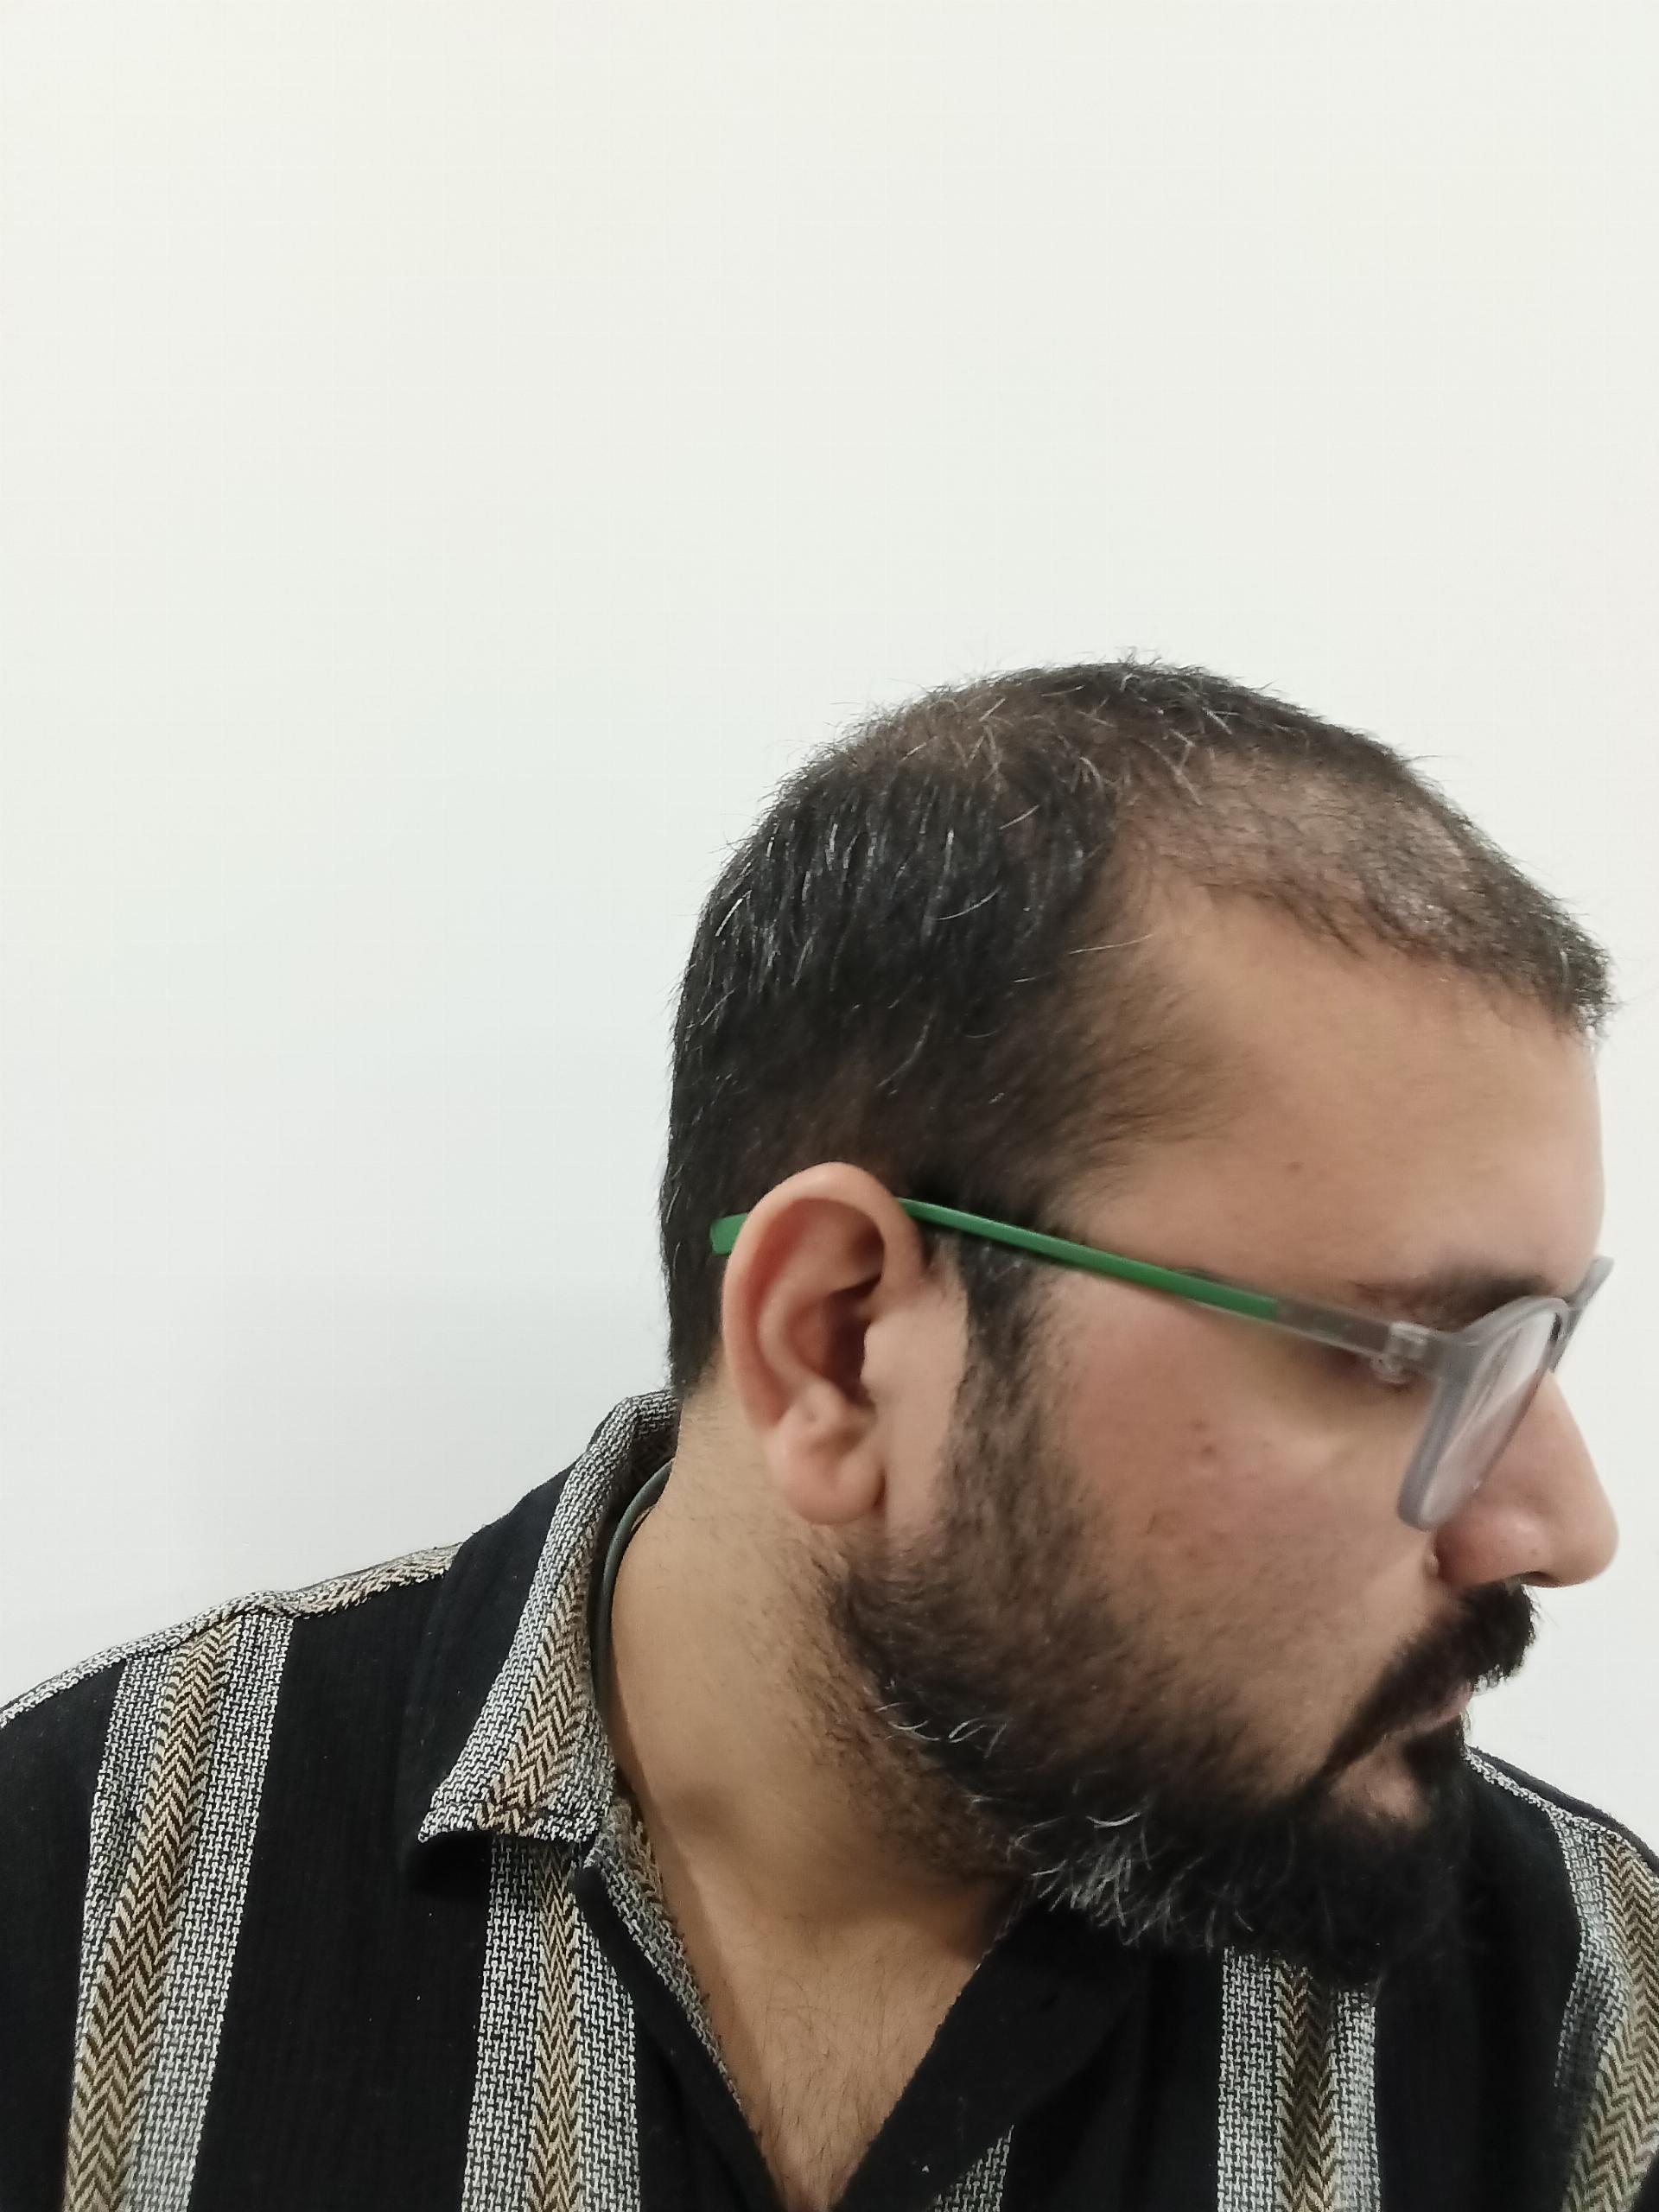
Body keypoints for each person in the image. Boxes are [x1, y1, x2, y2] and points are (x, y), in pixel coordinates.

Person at [2, 661, 1654, 2212]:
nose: (1567, 1524)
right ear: (839, 1343)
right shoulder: (76, 1894)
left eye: (1545, 1342)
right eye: (1406, 1357)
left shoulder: (1591, 2023)